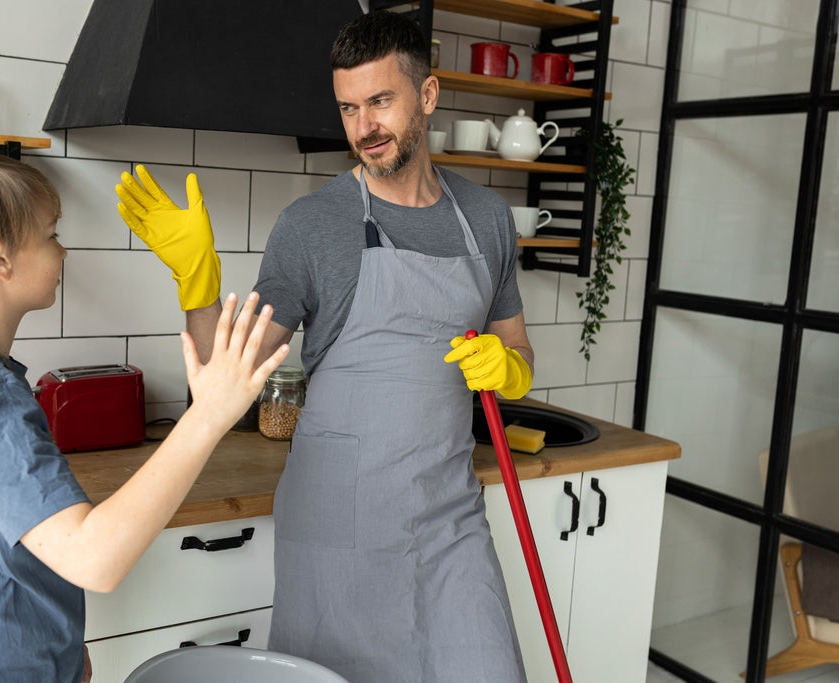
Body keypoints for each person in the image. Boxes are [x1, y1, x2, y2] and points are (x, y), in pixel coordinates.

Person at [115, 10, 535, 681]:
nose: (364, 127)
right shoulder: (312, 225)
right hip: (335, 526)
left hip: (450, 519)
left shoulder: (486, 218)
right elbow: (223, 385)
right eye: (348, 108)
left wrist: (510, 370)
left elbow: (519, 350)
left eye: (380, 101)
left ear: (426, 96)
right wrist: (198, 282)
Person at [0, 152, 289, 682]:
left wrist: (58, 643)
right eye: (50, 234)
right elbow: (93, 559)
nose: (63, 251)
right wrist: (205, 417)